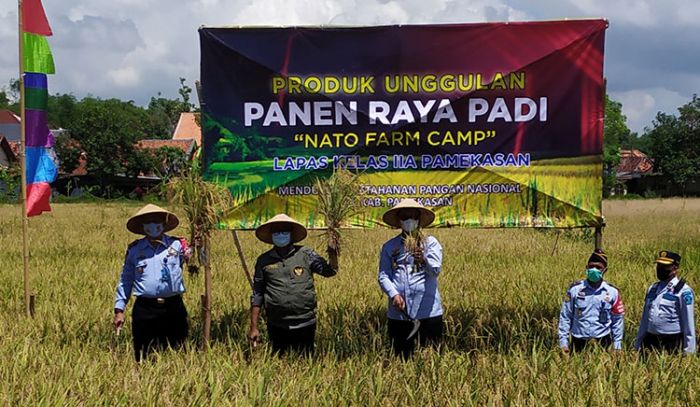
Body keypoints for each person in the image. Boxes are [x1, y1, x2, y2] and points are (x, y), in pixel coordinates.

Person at [247, 214, 338, 355]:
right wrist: (254, 326)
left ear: (291, 234)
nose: (280, 234)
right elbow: (257, 294)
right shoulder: (264, 261)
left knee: (306, 362)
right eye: (276, 231)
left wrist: (333, 253)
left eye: (284, 230)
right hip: (276, 324)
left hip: (305, 322)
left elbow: (329, 271)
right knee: (279, 362)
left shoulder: (306, 254)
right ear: (271, 235)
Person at [113, 204, 191, 361]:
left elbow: (197, 261)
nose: (153, 225)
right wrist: (119, 310)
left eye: (156, 220)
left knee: (177, 352)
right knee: (143, 354)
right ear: (143, 226)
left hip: (173, 306)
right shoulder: (135, 250)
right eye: (148, 221)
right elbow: (126, 279)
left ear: (164, 223)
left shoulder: (178, 245)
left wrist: (200, 246)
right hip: (145, 308)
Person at [378, 199, 444, 358]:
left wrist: (423, 260)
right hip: (400, 312)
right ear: (399, 221)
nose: (409, 220)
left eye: (413, 216)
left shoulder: (430, 243)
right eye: (405, 217)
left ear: (419, 219)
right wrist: (394, 294)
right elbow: (383, 275)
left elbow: (435, 271)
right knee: (402, 356)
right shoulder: (390, 246)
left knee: (431, 356)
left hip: (428, 311)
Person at [557, 249, 625, 352]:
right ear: (586, 268)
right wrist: (563, 343)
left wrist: (617, 346)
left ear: (605, 270)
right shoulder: (575, 290)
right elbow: (565, 316)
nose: (594, 269)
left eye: (598, 267)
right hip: (578, 341)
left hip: (603, 341)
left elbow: (617, 320)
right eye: (591, 266)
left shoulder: (612, 292)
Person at [634, 250, 695, 354]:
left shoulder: (683, 291)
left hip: (671, 341)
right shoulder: (653, 288)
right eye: (659, 265)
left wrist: (689, 351)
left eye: (665, 266)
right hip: (650, 339)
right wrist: (637, 342)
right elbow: (645, 319)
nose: (660, 269)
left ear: (675, 268)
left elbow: (688, 323)